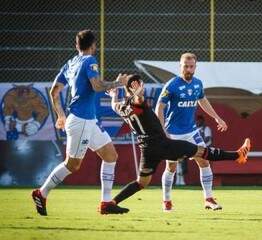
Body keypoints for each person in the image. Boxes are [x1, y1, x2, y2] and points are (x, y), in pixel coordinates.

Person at [107, 74, 250, 212]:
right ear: (133, 89)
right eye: (139, 85)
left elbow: (114, 105)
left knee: (141, 182)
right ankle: (237, 155)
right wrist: (137, 94)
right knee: (202, 152)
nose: (142, 87)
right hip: (163, 145)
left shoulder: (122, 108)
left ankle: (111, 203)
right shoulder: (138, 103)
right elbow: (139, 100)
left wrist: (114, 95)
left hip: (147, 150)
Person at [31, 30, 129, 216]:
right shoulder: (89, 61)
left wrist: (60, 115)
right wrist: (117, 83)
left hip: (86, 120)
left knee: (110, 155)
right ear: (94, 46)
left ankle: (106, 203)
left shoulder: (70, 63)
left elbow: (54, 91)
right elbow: (97, 86)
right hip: (81, 120)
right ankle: (41, 193)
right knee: (73, 165)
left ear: (77, 46)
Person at [155, 53, 228, 211]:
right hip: (173, 133)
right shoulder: (172, 85)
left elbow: (202, 100)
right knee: (171, 167)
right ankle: (166, 200)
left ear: (195, 66)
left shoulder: (197, 84)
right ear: (179, 66)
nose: (188, 69)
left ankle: (208, 199)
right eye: (185, 66)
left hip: (191, 131)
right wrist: (162, 131)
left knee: (204, 161)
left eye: (191, 66)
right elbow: (159, 107)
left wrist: (217, 117)